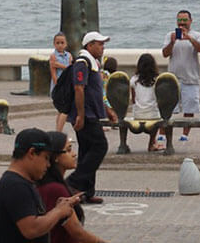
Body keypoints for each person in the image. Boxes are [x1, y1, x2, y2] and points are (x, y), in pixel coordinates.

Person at [0, 128, 82, 243]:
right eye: (46, 158)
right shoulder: (15, 185)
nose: (48, 165)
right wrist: (58, 211)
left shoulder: (22, 182)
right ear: (32, 153)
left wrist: (57, 209)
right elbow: (31, 229)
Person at [65, 31, 118, 205]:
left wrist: (107, 109)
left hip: (92, 112)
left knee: (87, 151)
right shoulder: (83, 62)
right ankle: (73, 182)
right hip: (85, 115)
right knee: (100, 146)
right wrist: (80, 115)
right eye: (100, 44)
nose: (103, 47)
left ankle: (86, 192)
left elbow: (95, 91)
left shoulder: (94, 63)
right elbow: (79, 89)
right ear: (90, 46)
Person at [37, 131, 108, 243]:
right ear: (56, 157)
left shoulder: (49, 184)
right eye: (69, 150)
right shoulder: (56, 189)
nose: (74, 154)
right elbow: (77, 233)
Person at [160, 10, 200, 145]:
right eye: (179, 20)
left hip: (190, 78)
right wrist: (172, 42)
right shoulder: (170, 35)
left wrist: (190, 39)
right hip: (173, 78)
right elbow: (165, 53)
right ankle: (162, 133)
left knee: (189, 107)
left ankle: (185, 134)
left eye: (185, 20)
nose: (182, 23)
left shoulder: (197, 35)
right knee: (167, 107)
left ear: (190, 21)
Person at [129, 53, 161, 151]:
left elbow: (133, 100)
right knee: (155, 113)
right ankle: (152, 143)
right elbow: (159, 99)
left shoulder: (134, 80)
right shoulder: (157, 80)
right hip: (153, 114)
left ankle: (124, 143)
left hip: (138, 114)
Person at [51, 32, 73, 132]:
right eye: (57, 43)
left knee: (61, 111)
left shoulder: (69, 56)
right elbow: (53, 73)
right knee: (63, 110)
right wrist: (57, 86)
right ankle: (59, 132)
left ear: (66, 44)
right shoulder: (53, 56)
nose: (60, 45)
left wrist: (60, 65)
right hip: (59, 86)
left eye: (62, 43)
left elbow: (70, 68)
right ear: (54, 44)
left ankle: (58, 131)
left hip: (67, 85)